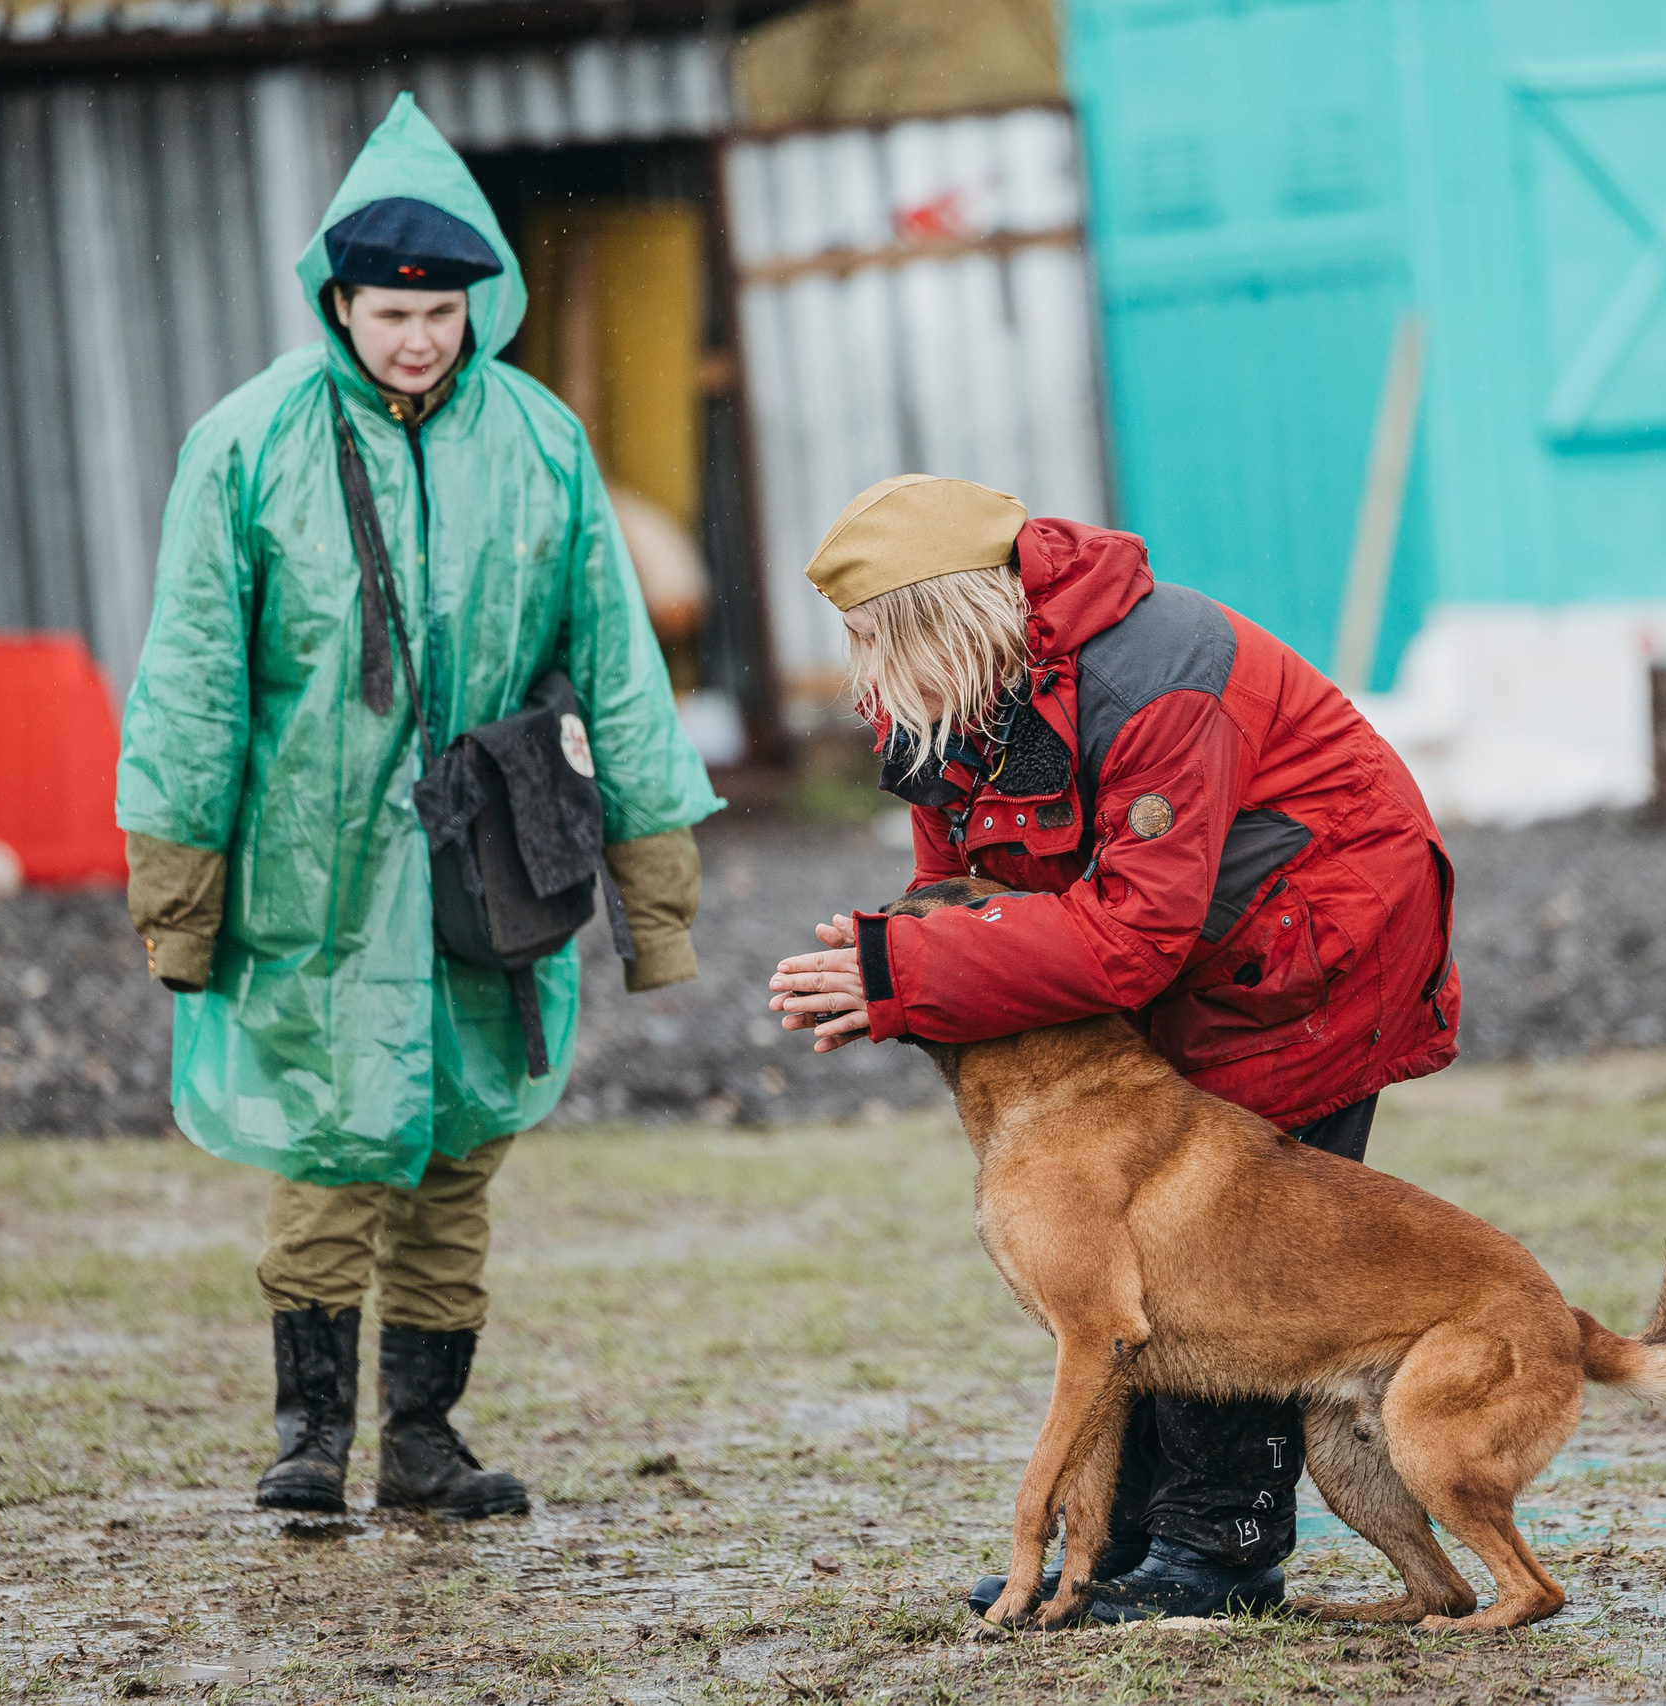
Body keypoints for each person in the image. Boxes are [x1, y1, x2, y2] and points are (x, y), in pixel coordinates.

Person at [117, 96, 718, 1519]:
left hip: (490, 861)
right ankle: (310, 1440)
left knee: (459, 1143)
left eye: (443, 311)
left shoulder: (543, 442)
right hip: (310, 870)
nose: (419, 339)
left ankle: (426, 1442)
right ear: (339, 301)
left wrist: (656, 896)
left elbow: (619, 667)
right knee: (329, 1143)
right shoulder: (248, 444)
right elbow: (191, 680)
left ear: (475, 303)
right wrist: (178, 890)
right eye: (392, 312)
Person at [766, 475, 1460, 1620]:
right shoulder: (947, 694)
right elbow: (959, 892)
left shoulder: (1156, 676)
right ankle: (1116, 1540)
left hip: (1307, 948)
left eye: (873, 638)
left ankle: (1219, 1549)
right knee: (1119, 1257)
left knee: (1219, 1246)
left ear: (949, 616)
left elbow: (1134, 939)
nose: (862, 675)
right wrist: (898, 962)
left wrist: (912, 969)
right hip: (1183, 948)